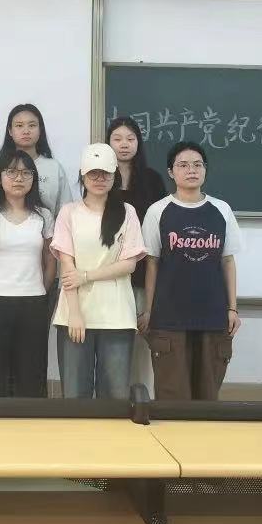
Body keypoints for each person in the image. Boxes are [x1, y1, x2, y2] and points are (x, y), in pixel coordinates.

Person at [141, 141, 244, 401]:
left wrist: (232, 309)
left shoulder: (221, 210)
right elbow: (152, 263)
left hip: (213, 315)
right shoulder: (157, 211)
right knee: (172, 395)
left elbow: (228, 261)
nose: (191, 170)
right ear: (171, 172)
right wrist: (149, 310)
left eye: (198, 165)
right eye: (183, 165)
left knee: (207, 396)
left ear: (205, 170)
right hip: (169, 316)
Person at [50, 144, 145, 399]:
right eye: (93, 173)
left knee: (115, 396)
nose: (99, 178)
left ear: (115, 176)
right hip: (74, 316)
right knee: (75, 395)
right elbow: (67, 267)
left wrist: (86, 276)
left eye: (105, 173)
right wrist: (74, 313)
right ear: (82, 175)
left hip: (117, 315)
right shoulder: (69, 212)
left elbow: (129, 264)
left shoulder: (127, 212)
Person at [0, 150, 54, 397]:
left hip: (33, 304)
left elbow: (50, 262)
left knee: (31, 374)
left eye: (26, 173)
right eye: (11, 172)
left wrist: (41, 291)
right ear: (0, 177)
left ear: (33, 179)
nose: (19, 178)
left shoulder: (44, 216)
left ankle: (30, 421)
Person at [107, 116, 167, 395]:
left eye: (130, 139)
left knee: (142, 342)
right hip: (108, 273)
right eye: (117, 139)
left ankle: (143, 399)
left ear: (138, 143)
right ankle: (113, 400)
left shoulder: (152, 179)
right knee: (112, 343)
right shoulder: (100, 177)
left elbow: (161, 228)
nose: (124, 145)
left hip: (143, 273)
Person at [0, 104, 74, 218]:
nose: (26, 131)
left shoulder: (54, 168)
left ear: (40, 130)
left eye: (32, 125)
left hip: (48, 228)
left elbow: (66, 214)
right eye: (19, 125)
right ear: (10, 131)